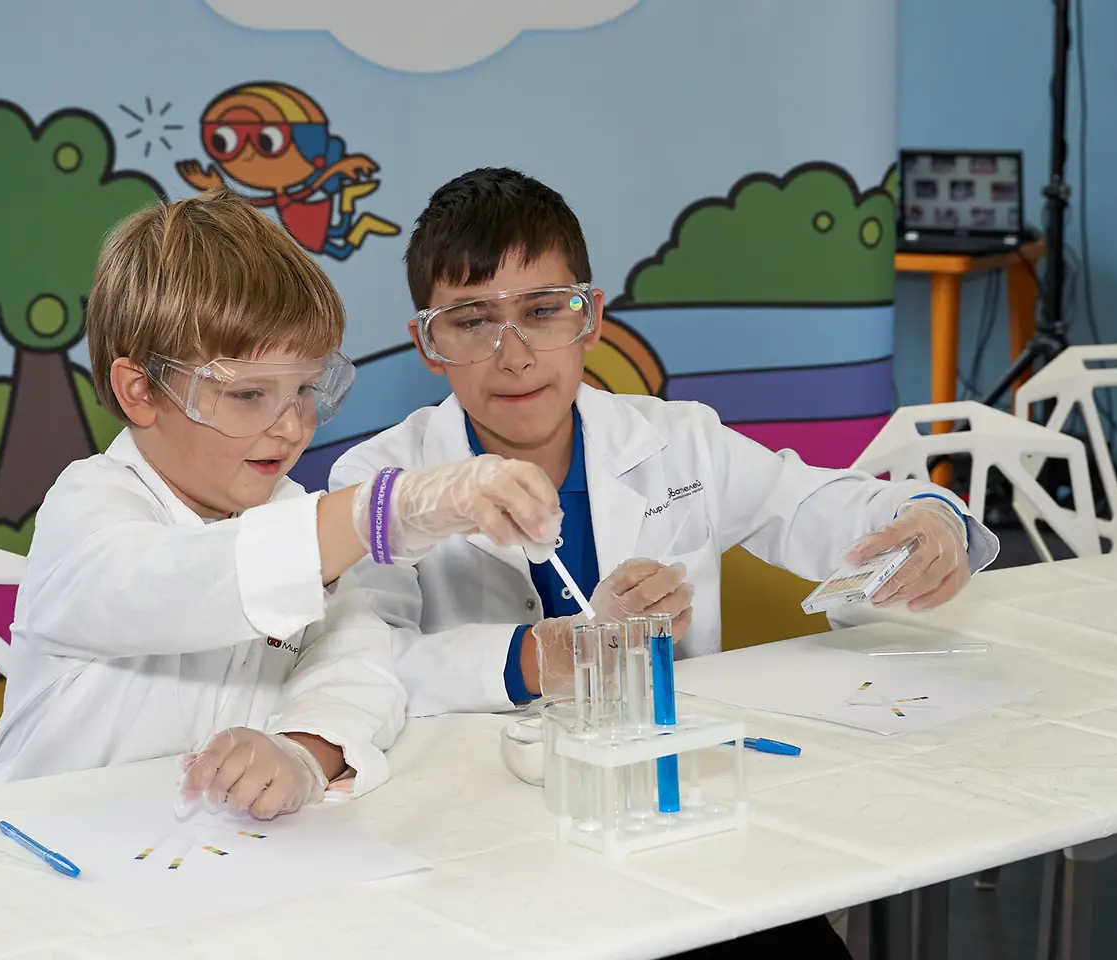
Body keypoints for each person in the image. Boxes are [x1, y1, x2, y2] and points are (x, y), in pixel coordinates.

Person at [323, 166, 1000, 956]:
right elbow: (364, 667)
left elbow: (820, 508)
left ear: (591, 317)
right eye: (471, 321)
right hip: (479, 841)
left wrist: (927, 515)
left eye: (543, 311)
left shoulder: (679, 441)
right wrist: (544, 656)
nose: (511, 355)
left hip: (674, 817)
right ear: (427, 343)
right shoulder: (379, 484)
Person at [0, 187, 563, 823]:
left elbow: (359, 664)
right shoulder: (89, 506)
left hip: (208, 857)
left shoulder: (289, 512)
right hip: (50, 852)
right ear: (140, 390)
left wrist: (303, 752)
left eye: (308, 389)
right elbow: (171, 584)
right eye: (249, 396)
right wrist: (381, 511)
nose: (291, 427)